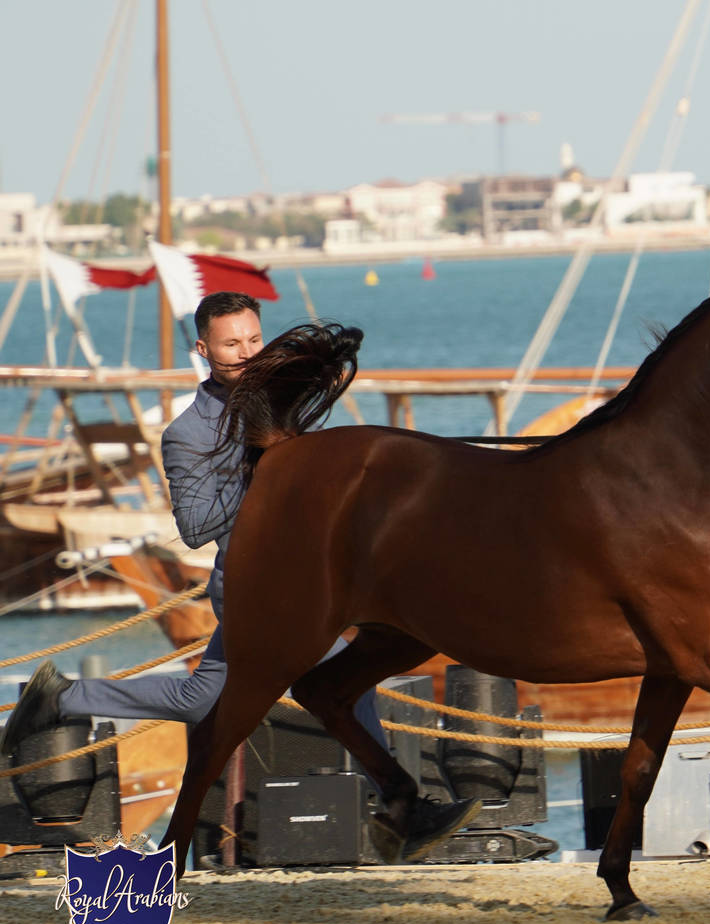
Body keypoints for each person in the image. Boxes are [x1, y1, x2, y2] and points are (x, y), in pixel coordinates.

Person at [0, 291, 477, 862]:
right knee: (343, 682)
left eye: (254, 339)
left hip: (306, 578)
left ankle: (60, 698)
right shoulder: (188, 433)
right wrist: (266, 471)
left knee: (202, 698)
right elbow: (194, 527)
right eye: (232, 344)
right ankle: (403, 807)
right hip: (254, 586)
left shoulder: (279, 399)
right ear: (203, 350)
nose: (248, 353)